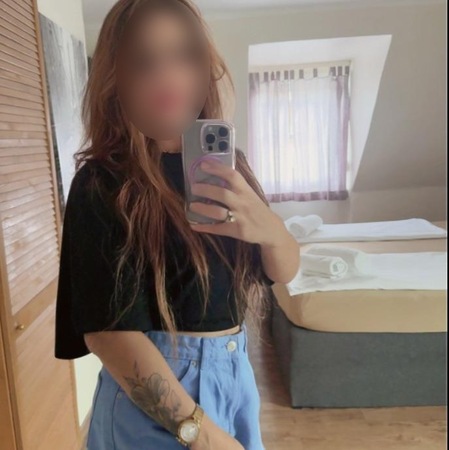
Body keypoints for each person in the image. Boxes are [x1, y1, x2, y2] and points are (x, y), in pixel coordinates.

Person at [54, 1, 300, 449]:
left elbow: (281, 272)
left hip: (234, 377)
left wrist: (271, 230)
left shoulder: (230, 167)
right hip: (152, 399)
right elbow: (109, 334)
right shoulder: (103, 182)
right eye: (143, 61)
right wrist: (202, 434)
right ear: (115, 80)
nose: (167, 75)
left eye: (184, 55)